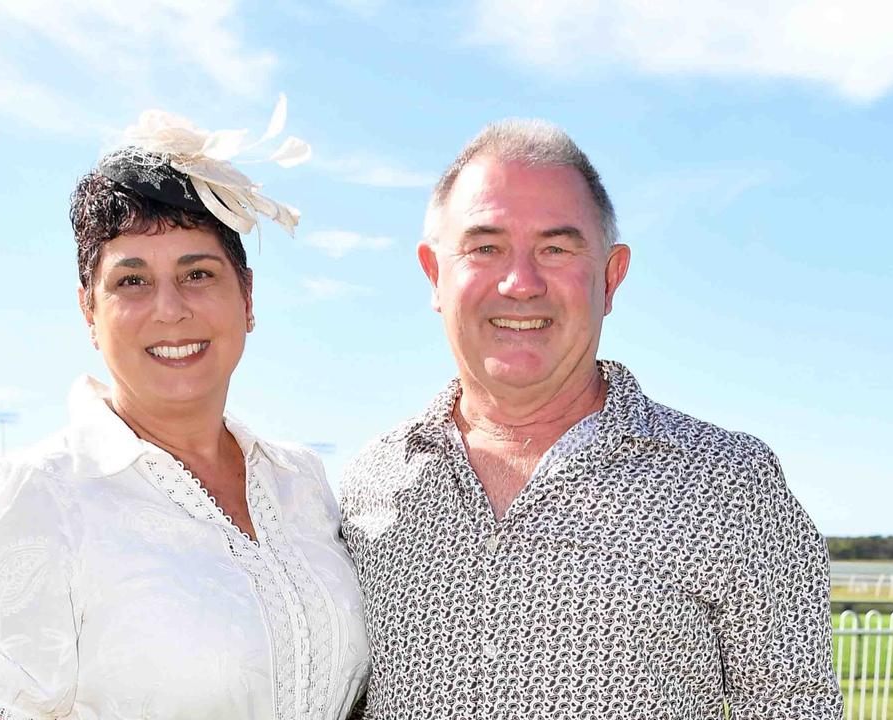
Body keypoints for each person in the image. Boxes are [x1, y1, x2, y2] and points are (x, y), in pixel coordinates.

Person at [339, 119, 842, 718]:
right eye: (485, 247)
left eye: (556, 248)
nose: (520, 283)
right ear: (434, 274)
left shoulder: (731, 484)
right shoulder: (367, 485)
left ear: (611, 277)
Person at [0, 107, 369, 720]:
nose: (170, 309)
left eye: (198, 273)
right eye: (131, 282)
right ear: (90, 311)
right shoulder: (39, 495)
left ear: (247, 299)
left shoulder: (301, 482)